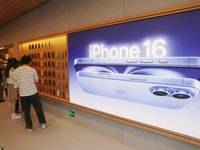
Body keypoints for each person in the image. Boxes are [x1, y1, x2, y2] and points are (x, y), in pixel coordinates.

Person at [13, 55, 49, 132]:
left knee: (26, 111)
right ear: (29, 62)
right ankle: (43, 123)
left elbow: (15, 85)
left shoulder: (15, 71)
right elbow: (36, 80)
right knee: (38, 109)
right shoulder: (32, 70)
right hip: (33, 93)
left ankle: (29, 127)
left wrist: (17, 92)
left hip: (23, 94)